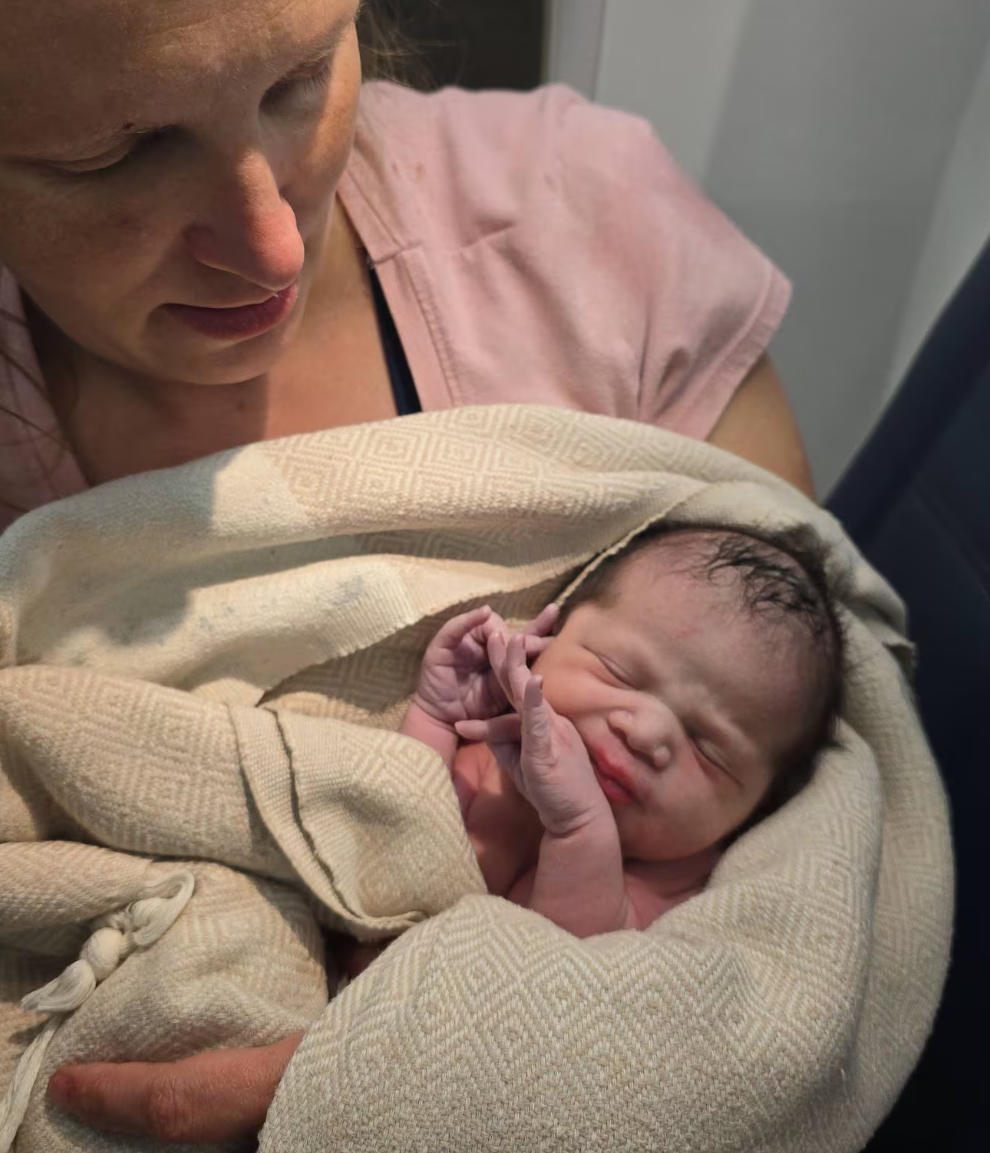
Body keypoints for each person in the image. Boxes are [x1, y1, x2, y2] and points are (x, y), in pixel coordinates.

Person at [0, 0, 817, 1142]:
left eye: (299, 80)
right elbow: (383, 804)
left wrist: (401, 1088)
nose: (274, 247)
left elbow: (806, 873)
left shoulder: (590, 225)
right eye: (115, 153)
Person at [401, 527, 843, 939]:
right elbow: (396, 832)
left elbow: (573, 967)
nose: (645, 734)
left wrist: (580, 829)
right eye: (618, 673)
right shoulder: (487, 751)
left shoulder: (674, 883)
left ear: (754, 811)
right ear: (548, 638)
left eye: (708, 749)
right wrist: (435, 717)